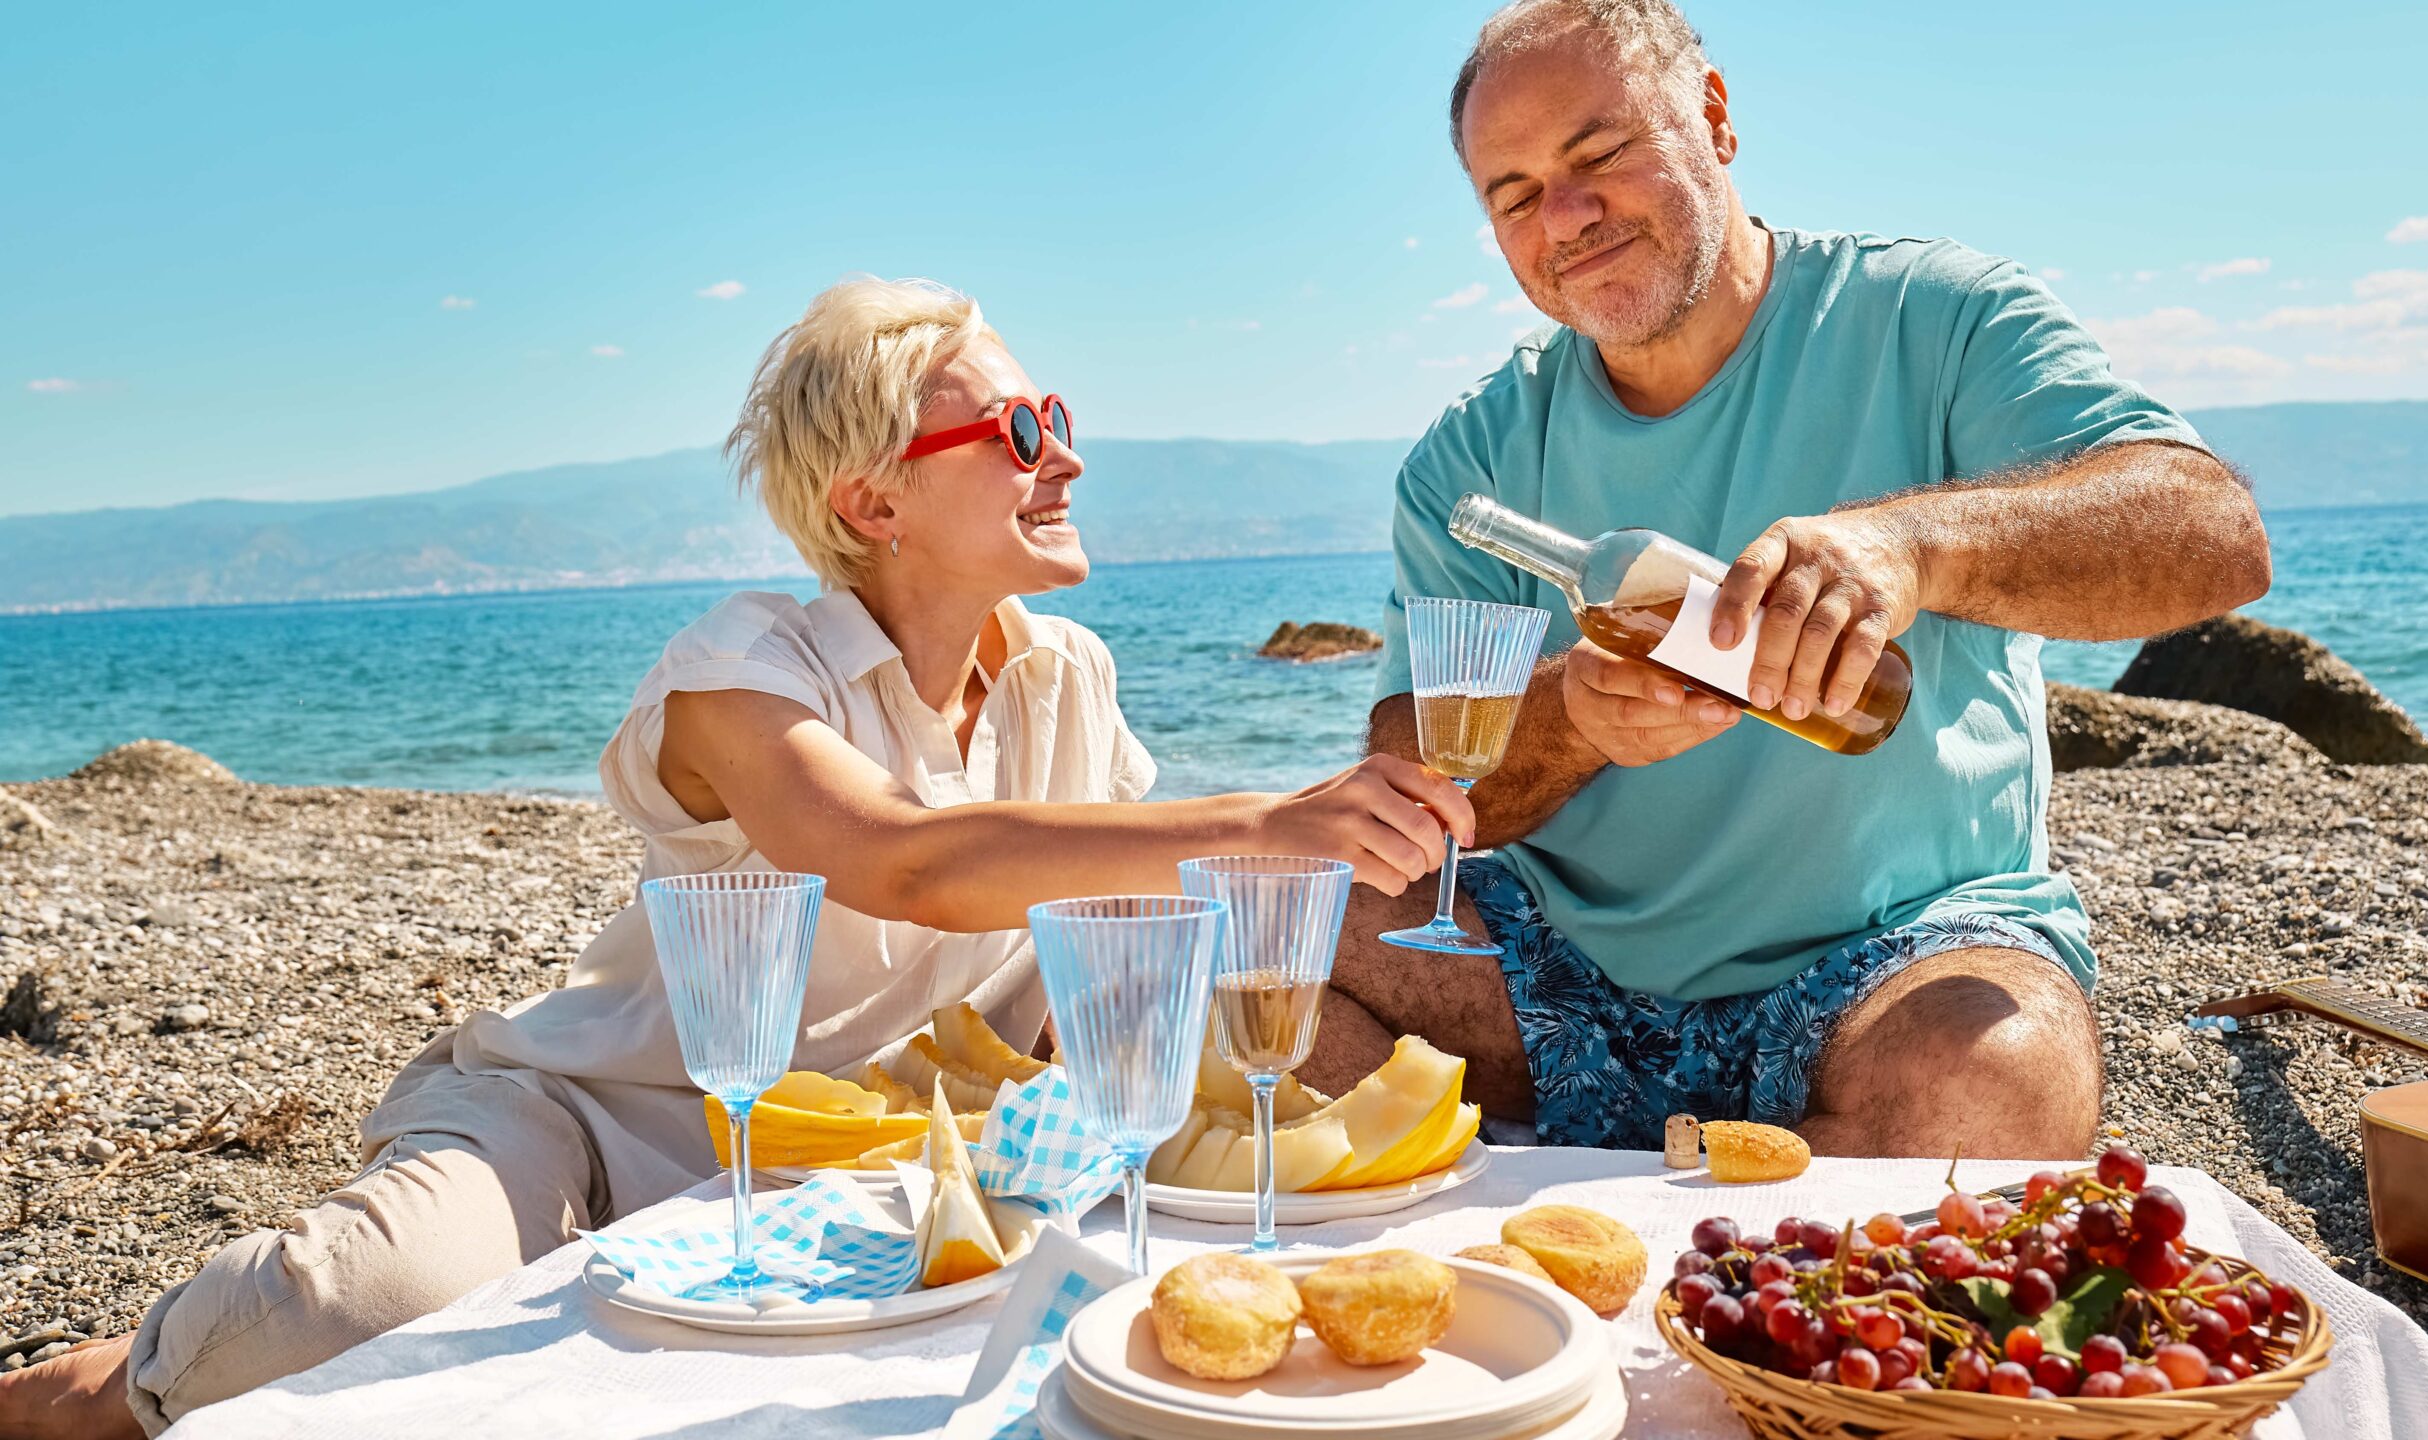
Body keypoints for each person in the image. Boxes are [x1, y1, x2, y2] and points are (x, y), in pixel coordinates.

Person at [0, 277, 1471, 1437]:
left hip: (859, 1174)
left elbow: (1066, 956)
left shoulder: (1067, 677)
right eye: (1017, 432)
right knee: (360, 1310)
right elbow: (893, 858)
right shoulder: (740, 670)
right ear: (872, 504)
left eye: (1058, 414)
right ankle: (98, 1389)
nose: (1064, 454)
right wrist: (1265, 823)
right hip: (599, 1131)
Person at [1306, 0, 2271, 1162]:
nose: (1565, 216)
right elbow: (1412, 779)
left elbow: (2211, 534)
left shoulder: (1939, 320)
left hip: (1888, 961)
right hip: (1562, 977)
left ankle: (1606, 1198)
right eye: (1512, 197)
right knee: (1264, 933)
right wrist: (1571, 718)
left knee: (1996, 1082)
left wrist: (1913, 550)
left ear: (1712, 118)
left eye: (1599, 154)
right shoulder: (1471, 460)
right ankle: (1654, 1194)